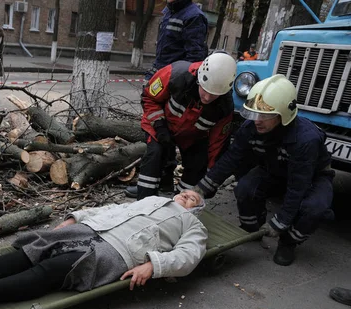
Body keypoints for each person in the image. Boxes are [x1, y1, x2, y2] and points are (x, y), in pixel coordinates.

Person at [0, 190, 208, 309]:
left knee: (53, 269)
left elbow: (188, 256)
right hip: (94, 228)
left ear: (197, 208)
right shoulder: (155, 199)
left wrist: (153, 265)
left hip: (119, 251)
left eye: (192, 197)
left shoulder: (192, 224)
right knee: (34, 249)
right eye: (185, 192)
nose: (186, 195)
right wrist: (77, 216)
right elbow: (114, 209)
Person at [195, 74, 334, 266]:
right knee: (244, 188)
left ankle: (288, 242)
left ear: (283, 115)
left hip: (312, 178)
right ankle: (252, 229)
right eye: (253, 113)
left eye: (265, 115)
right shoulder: (252, 127)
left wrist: (281, 222)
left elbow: (297, 186)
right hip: (274, 169)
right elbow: (232, 158)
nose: (257, 120)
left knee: (314, 208)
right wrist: (202, 187)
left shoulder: (305, 140)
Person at [126, 52, 236, 200]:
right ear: (199, 78)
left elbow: (217, 144)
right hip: (161, 123)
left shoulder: (225, 107)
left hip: (193, 136)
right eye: (205, 90)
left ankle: (179, 205)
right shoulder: (176, 75)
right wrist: (159, 125)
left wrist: (211, 180)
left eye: (214, 94)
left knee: (198, 164)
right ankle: (145, 197)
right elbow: (149, 98)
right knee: (155, 155)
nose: (208, 98)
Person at [144, 0, 208, 81]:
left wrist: (177, 81)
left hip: (174, 79)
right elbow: (165, 49)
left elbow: (194, 57)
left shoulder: (194, 16)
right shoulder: (169, 11)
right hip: (160, 73)